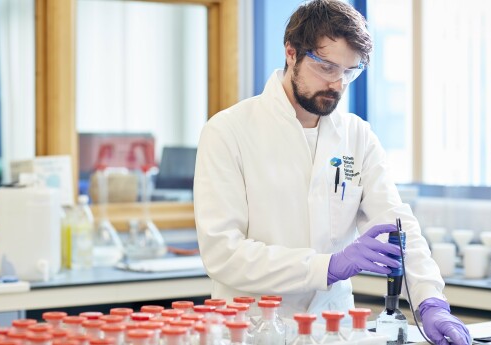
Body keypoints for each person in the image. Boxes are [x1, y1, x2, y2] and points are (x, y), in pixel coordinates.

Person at [193, 1, 471, 344]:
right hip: (253, 328)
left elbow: (398, 225)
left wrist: (431, 301)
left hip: (333, 329)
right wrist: (326, 266)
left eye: (349, 72)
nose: (337, 84)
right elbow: (224, 253)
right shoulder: (227, 131)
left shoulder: (357, 135)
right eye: (326, 67)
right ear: (291, 53)